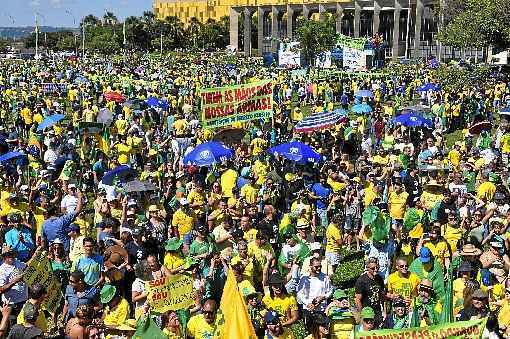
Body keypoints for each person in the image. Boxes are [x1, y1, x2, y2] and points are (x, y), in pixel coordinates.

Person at [296, 257, 333, 322]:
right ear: (310, 266)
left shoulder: (325, 277)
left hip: (321, 308)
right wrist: (307, 303)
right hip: (308, 308)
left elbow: (330, 290)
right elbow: (299, 293)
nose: (318, 269)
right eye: (316, 267)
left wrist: (323, 297)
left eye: (320, 266)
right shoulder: (304, 278)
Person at [354, 257, 385, 327]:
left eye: (377, 267)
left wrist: (384, 312)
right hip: (367, 312)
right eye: (373, 268)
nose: (376, 270)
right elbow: (357, 299)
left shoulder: (379, 279)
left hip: (377, 312)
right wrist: (362, 314)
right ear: (367, 268)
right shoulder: (361, 280)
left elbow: (382, 296)